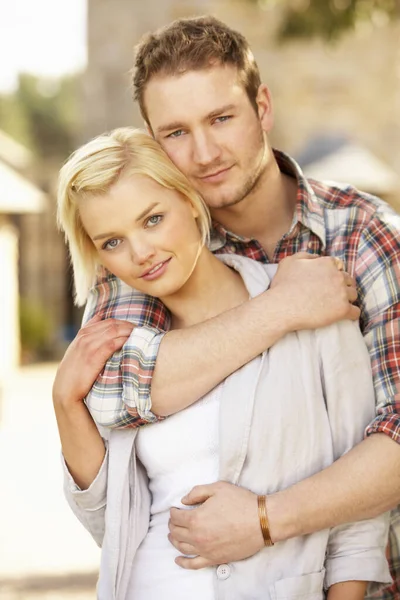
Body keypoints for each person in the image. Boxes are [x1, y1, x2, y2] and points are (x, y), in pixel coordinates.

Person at [54, 126, 390, 600]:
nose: (140, 253)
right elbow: (109, 521)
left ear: (190, 202)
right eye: (112, 242)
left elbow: (359, 525)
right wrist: (65, 404)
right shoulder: (124, 351)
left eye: (152, 219)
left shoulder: (310, 304)